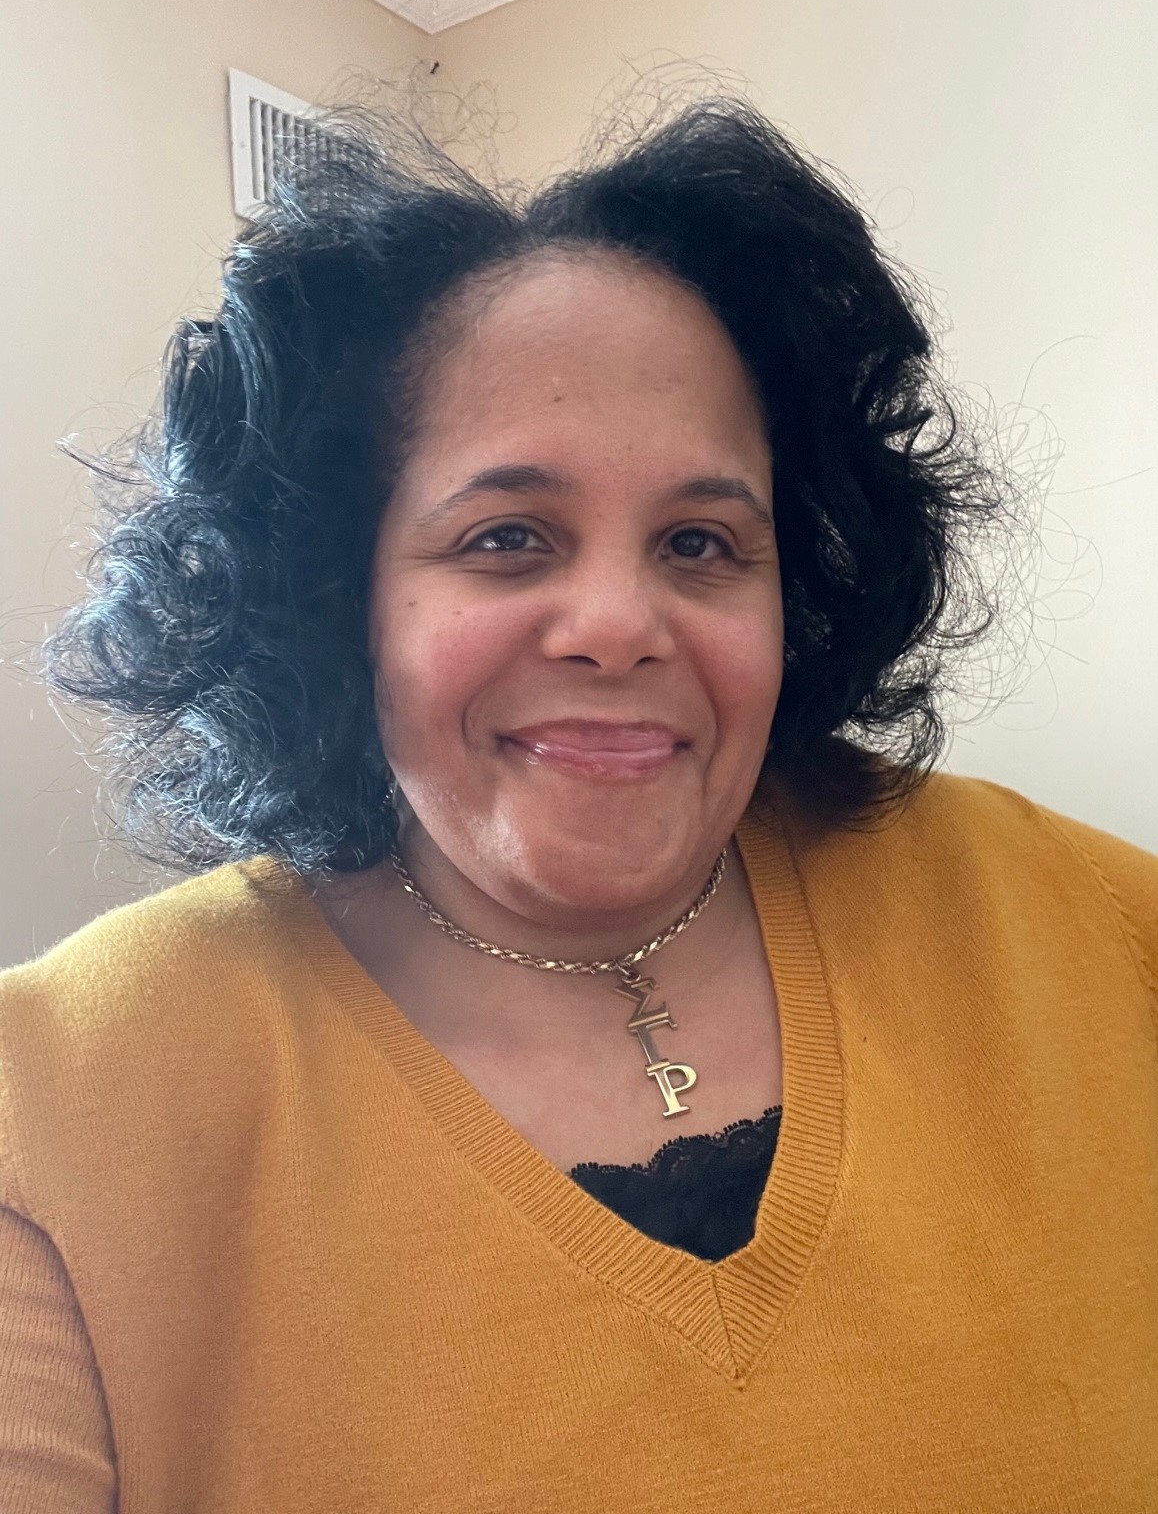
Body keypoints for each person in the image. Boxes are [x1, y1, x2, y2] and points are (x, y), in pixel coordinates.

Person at [1, 91, 1155, 1513]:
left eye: (699, 541)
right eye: (505, 537)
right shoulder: (53, 1105)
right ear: (334, 599)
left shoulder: (1102, 930)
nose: (618, 622)